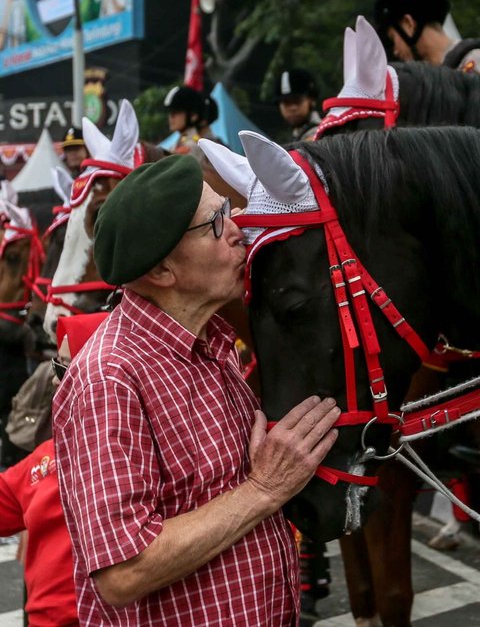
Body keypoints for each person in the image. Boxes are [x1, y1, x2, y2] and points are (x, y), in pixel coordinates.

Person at [53, 155, 340, 626]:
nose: (237, 231)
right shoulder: (110, 377)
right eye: (216, 223)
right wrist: (264, 489)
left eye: (227, 208)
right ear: (163, 272)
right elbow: (123, 570)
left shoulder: (211, 342)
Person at [0, 312, 107, 626]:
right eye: (54, 366)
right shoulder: (51, 451)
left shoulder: (132, 454)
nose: (54, 379)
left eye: (62, 367)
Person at [373, 0, 480, 73]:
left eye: (392, 38)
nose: (395, 51)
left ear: (409, 24)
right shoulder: (437, 78)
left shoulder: (472, 62)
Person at [275, 69, 322, 141]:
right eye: (286, 102)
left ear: (311, 100)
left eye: (297, 100)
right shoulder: (296, 134)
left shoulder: (319, 134)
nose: (292, 108)